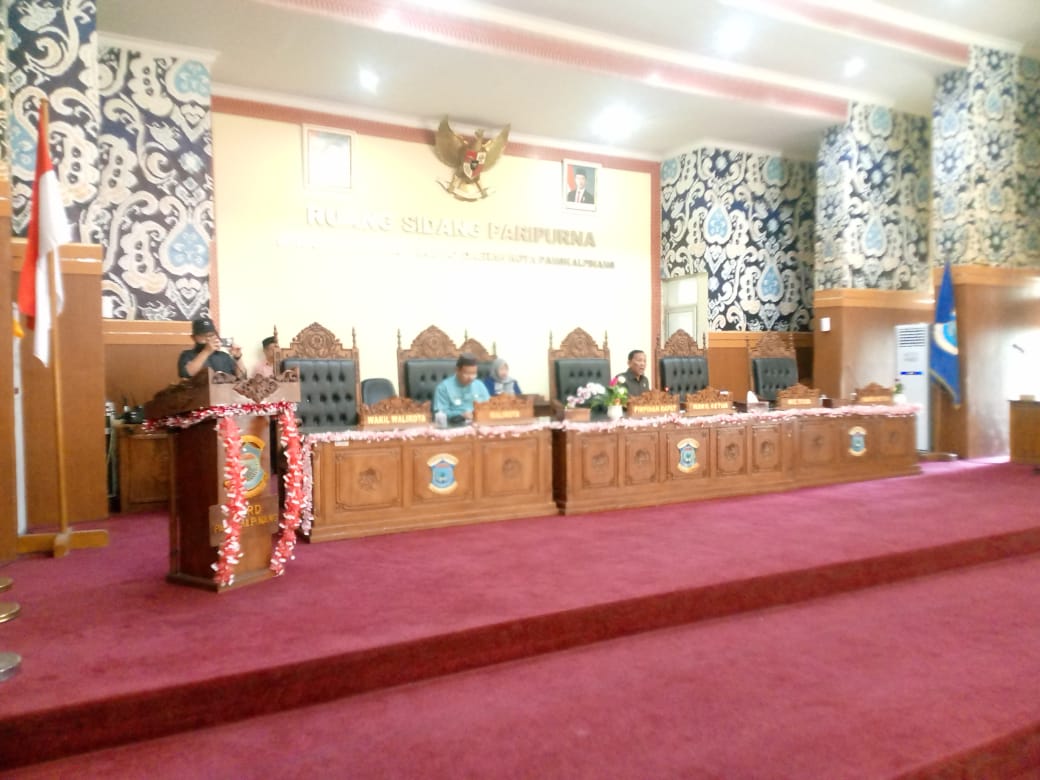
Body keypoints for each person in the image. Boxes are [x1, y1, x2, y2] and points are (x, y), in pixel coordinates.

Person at [178, 317, 246, 379]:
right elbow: (186, 374)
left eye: (211, 335)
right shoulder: (187, 355)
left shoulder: (224, 356)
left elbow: (242, 377)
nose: (208, 339)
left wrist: (238, 357)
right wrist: (206, 351)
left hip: (225, 388)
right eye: (203, 336)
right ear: (193, 337)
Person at [433, 353, 490, 422]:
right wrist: (460, 415)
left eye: (474, 374)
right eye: (467, 374)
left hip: (479, 422)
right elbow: (440, 413)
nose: (471, 378)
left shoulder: (479, 385)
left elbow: (489, 406)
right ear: (457, 370)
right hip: (455, 424)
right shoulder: (443, 388)